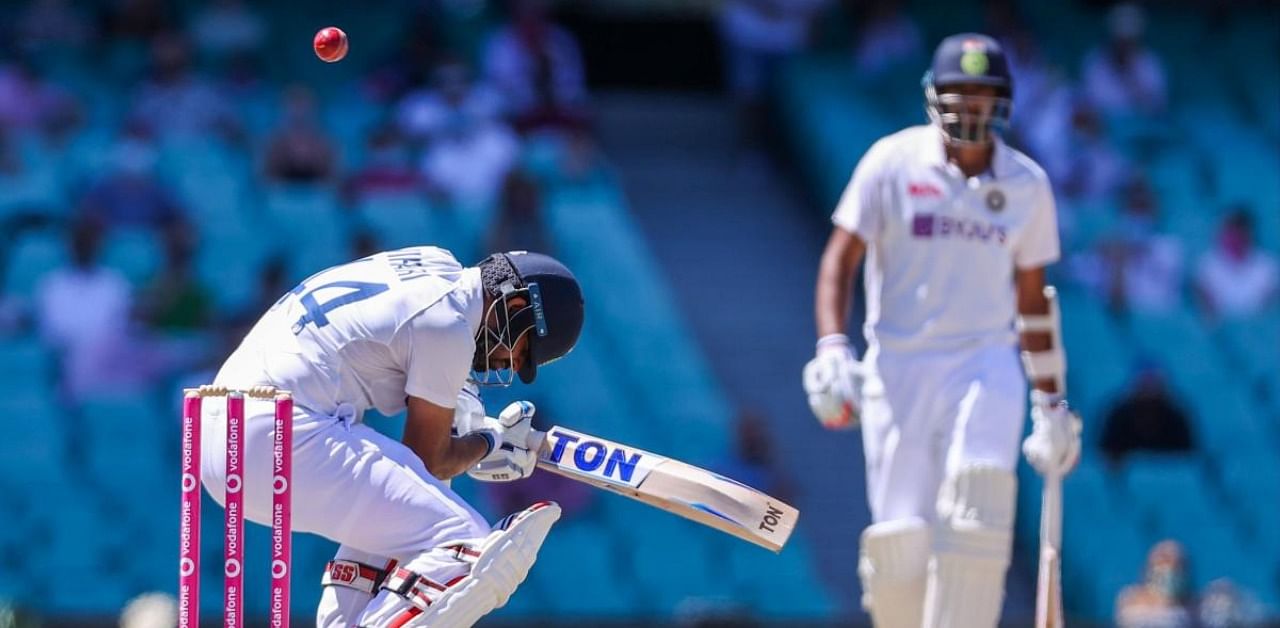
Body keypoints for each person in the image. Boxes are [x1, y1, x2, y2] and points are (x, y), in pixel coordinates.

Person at [802, 34, 1081, 627]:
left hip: (986, 361)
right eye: (959, 92)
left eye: (982, 94)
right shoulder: (892, 162)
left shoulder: (1027, 184)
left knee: (977, 495)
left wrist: (1050, 401)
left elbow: (1033, 302)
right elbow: (839, 259)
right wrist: (831, 345)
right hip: (897, 368)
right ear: (934, 97)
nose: (970, 107)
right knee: (900, 542)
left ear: (1002, 102)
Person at [203, 246, 585, 626]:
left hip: (223, 426)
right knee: (464, 543)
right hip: (279, 432)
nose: (512, 365)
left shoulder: (435, 264)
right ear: (516, 306)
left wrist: (465, 419)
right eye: (524, 351)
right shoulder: (448, 324)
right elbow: (430, 461)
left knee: (405, 541)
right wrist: (488, 441)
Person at [1100, 360, 1194, 465]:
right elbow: (1106, 455)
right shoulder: (1119, 418)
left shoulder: (1176, 418)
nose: (1148, 391)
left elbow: (1187, 458)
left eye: (1153, 384)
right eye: (1144, 384)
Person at [1115, 540, 1194, 628]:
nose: (1168, 569)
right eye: (1162, 562)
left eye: (1177, 566)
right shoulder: (1129, 601)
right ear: (1148, 570)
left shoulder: (1197, 611)